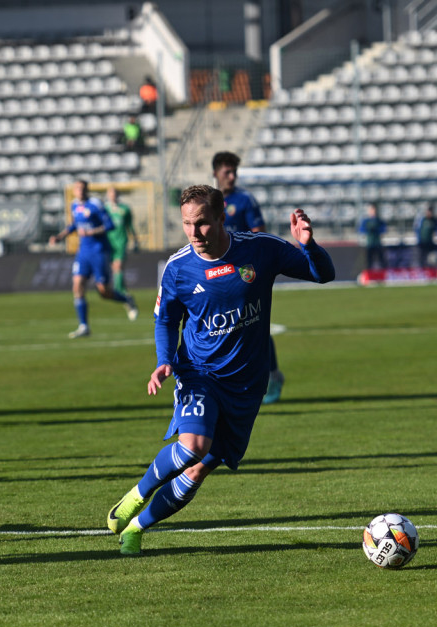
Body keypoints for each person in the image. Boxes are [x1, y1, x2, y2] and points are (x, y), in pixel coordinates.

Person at [105, 185, 335, 556]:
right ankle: (137, 494)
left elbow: (322, 274)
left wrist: (308, 244)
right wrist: (164, 360)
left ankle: (137, 526)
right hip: (199, 372)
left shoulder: (259, 249)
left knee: (200, 468)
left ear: (221, 217)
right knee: (193, 446)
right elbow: (166, 320)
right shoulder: (179, 268)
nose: (194, 233)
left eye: (202, 224)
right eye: (186, 224)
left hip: (247, 383)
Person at [211, 151, 282, 405]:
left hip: (245, 270)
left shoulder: (245, 200)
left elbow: (259, 235)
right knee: (223, 326)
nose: (231, 177)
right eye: (226, 172)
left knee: (253, 323)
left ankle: (272, 375)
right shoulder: (208, 200)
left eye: (234, 172)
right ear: (216, 173)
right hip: (217, 272)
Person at [49, 179, 138, 338]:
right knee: (77, 286)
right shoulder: (74, 205)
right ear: (74, 191)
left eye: (83, 189)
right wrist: (60, 237)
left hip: (99, 251)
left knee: (104, 292)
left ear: (87, 190)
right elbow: (74, 225)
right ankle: (84, 326)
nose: (80, 192)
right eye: (77, 189)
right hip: (83, 252)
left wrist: (92, 232)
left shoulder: (95, 205)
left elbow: (109, 225)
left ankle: (126, 299)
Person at [103, 186, 139, 296]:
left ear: (117, 195)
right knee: (114, 267)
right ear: (108, 195)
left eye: (114, 193)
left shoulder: (125, 209)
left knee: (118, 265)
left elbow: (130, 225)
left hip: (121, 240)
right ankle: (123, 290)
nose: (113, 195)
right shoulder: (104, 209)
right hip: (109, 241)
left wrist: (135, 239)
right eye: (110, 193)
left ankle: (118, 290)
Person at [358, 203, 387, 271]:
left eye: (374, 210)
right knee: (369, 261)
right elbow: (361, 230)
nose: (373, 211)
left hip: (377, 243)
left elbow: (384, 229)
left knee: (381, 260)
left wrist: (377, 230)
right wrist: (368, 230)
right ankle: (369, 274)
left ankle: (383, 274)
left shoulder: (379, 220)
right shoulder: (366, 221)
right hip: (369, 244)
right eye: (371, 210)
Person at [413, 203, 437, 268]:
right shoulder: (422, 220)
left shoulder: (434, 220)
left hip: (430, 243)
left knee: (431, 258)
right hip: (421, 243)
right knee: (421, 259)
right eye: (428, 211)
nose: (429, 213)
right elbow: (416, 229)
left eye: (431, 211)